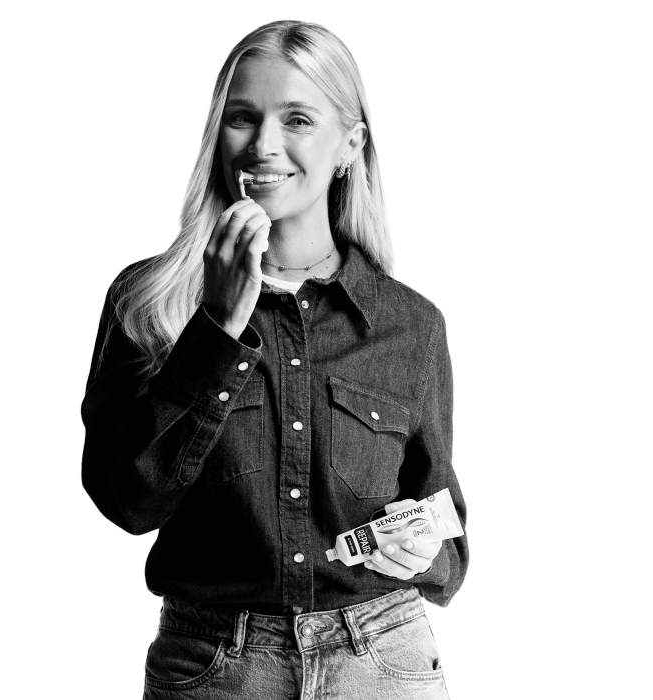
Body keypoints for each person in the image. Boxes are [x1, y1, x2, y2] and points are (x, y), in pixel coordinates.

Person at [80, 19, 468, 699]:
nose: (263, 144)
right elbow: (127, 502)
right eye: (242, 117)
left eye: (296, 118)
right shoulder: (146, 302)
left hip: (384, 659)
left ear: (349, 145)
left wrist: (427, 552)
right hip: (213, 667)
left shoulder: (411, 323)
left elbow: (449, 535)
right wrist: (218, 329)